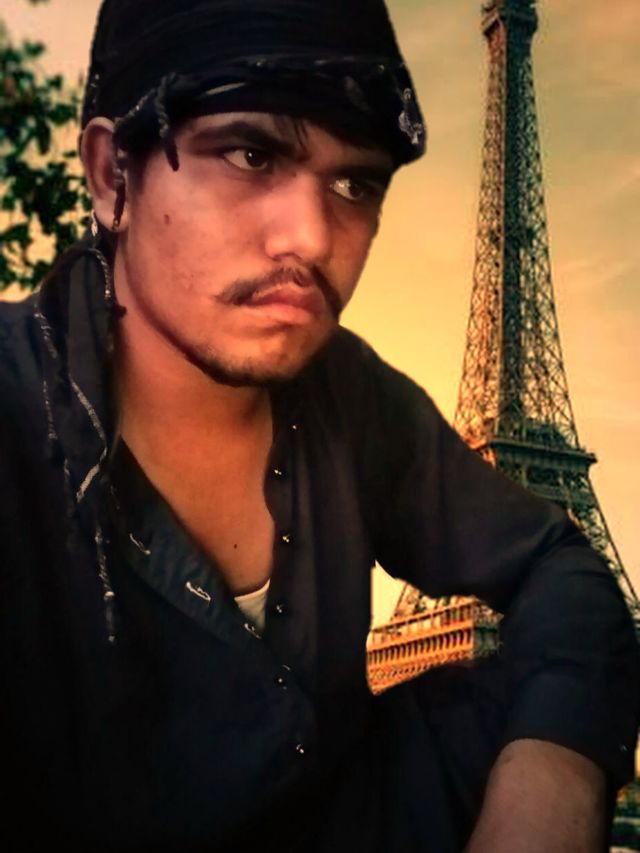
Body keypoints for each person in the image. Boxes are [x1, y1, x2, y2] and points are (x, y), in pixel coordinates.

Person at [0, 0, 637, 850]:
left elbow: (563, 567)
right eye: (251, 153)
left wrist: (553, 776)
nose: (311, 237)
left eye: (354, 184)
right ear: (115, 175)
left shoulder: (349, 392)